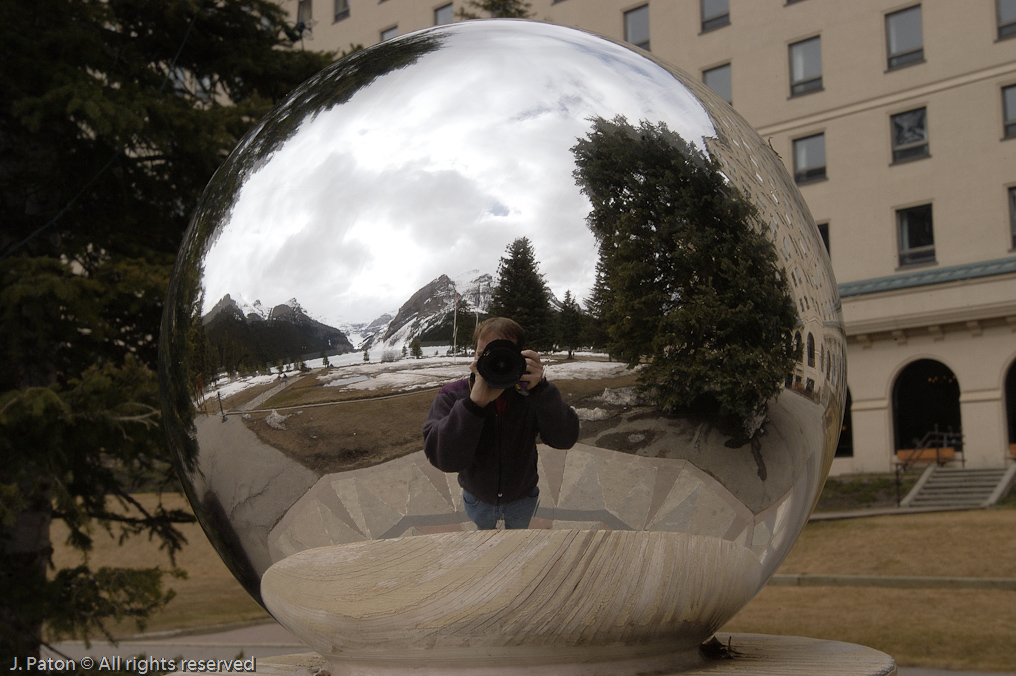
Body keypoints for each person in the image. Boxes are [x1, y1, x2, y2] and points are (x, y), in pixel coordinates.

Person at [422, 317, 579, 529]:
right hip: (478, 498)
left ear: (522, 358)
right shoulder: (452, 396)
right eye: (483, 355)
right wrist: (472, 406)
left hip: (522, 498)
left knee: (516, 544)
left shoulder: (532, 394)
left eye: (502, 356)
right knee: (485, 547)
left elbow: (565, 438)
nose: (493, 363)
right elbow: (444, 459)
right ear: (474, 357)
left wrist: (541, 391)